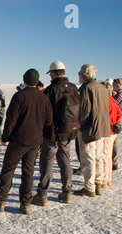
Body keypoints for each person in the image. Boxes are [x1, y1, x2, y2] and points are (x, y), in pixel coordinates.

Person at [0, 69, 52, 215]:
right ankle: (26, 204)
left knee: (8, 169)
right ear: (36, 81)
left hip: (18, 140)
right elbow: (49, 121)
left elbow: (11, 120)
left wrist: (5, 137)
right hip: (35, 141)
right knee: (28, 172)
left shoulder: (19, 96)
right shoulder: (44, 98)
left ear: (24, 80)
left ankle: (0, 201)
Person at [32, 61, 79, 206]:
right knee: (65, 161)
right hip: (68, 133)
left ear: (53, 73)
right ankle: (67, 192)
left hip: (52, 133)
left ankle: (42, 194)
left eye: (50, 73)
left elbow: (43, 112)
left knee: (47, 162)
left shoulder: (51, 89)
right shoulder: (73, 88)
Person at [73, 64, 111, 197]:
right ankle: (98, 183)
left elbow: (84, 111)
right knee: (98, 156)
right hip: (102, 128)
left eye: (79, 73)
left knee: (88, 157)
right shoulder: (101, 88)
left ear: (84, 75)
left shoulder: (86, 88)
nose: (78, 75)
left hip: (89, 129)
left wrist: (79, 126)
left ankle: (89, 187)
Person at [101, 81, 122, 188]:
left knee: (104, 156)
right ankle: (108, 178)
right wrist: (116, 123)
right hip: (113, 131)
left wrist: (110, 123)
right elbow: (120, 113)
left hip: (108, 131)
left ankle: (104, 180)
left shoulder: (106, 101)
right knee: (108, 156)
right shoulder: (113, 100)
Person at [112, 78, 122, 170]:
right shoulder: (118, 95)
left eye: (114, 84)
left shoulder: (119, 96)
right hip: (117, 121)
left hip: (116, 122)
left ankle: (114, 161)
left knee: (114, 142)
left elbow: (113, 105)